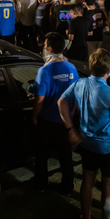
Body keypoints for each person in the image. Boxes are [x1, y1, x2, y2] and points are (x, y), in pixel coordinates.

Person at [58, 49, 110, 219]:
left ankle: (86, 215)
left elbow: (61, 102)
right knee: (109, 189)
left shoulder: (79, 84)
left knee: (87, 181)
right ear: (109, 70)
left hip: (87, 144)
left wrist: (70, 128)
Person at [31, 33, 76, 193]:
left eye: (44, 45)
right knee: (65, 156)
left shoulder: (45, 71)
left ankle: (41, 182)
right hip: (65, 121)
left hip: (48, 120)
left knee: (42, 154)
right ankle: (67, 185)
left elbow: (39, 99)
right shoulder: (71, 68)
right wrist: (71, 113)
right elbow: (76, 95)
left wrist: (35, 117)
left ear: (49, 49)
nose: (43, 48)